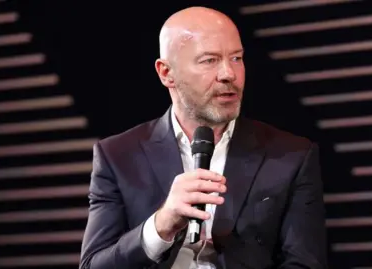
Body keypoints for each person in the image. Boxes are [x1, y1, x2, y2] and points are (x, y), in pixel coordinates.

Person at [79, 6, 327, 269]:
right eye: (209, 60)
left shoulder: (292, 155)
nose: (228, 74)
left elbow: (304, 264)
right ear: (166, 73)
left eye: (236, 58)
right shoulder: (118, 156)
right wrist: (161, 225)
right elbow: (94, 265)